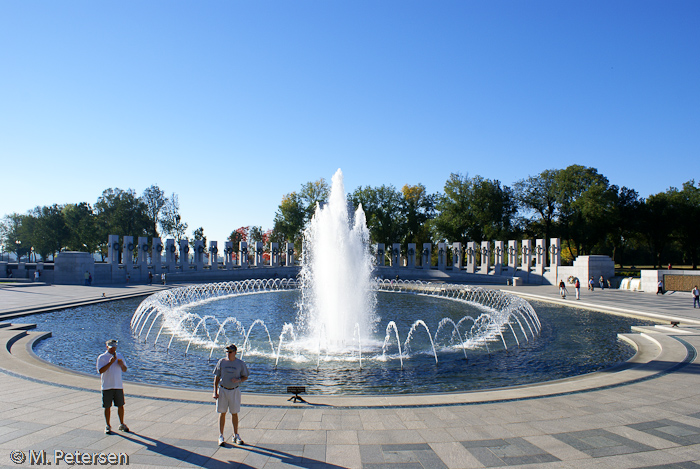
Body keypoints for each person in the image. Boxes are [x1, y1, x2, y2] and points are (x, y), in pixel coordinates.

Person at [213, 344, 249, 446]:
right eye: (227, 352)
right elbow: (216, 377)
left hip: (234, 390)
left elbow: (245, 376)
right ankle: (221, 435)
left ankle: (235, 434)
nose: (228, 354)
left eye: (230, 352)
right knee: (222, 412)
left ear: (235, 352)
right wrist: (215, 391)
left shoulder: (240, 363)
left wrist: (239, 380)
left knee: (234, 413)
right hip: (223, 390)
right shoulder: (222, 362)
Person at [96, 339, 129, 435]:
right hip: (107, 386)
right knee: (107, 406)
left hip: (118, 385)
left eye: (114, 348)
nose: (112, 350)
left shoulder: (119, 356)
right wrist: (110, 363)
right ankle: (108, 425)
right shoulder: (102, 357)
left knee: (120, 405)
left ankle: (122, 424)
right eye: (110, 348)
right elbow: (100, 371)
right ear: (107, 347)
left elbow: (125, 369)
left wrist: (122, 365)